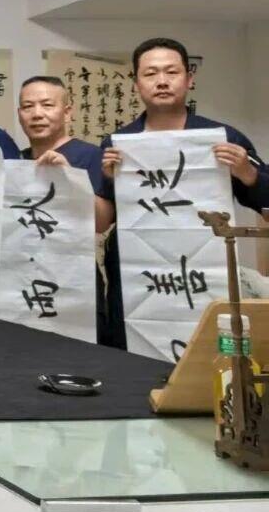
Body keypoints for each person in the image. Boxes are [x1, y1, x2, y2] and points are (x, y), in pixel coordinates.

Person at [95, 37, 269, 349]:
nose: (161, 81)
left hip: (205, 267)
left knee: (211, 352)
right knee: (133, 353)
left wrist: (247, 172)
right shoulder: (118, 144)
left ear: (189, 79)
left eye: (171, 72)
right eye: (150, 73)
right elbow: (103, 219)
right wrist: (110, 179)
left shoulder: (222, 138)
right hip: (137, 270)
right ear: (136, 83)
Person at [16, 76, 103, 188]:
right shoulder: (17, 159)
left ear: (66, 113)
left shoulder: (91, 156)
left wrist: (71, 177)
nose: (37, 114)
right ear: (19, 115)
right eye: (28, 106)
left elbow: (108, 201)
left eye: (47, 105)